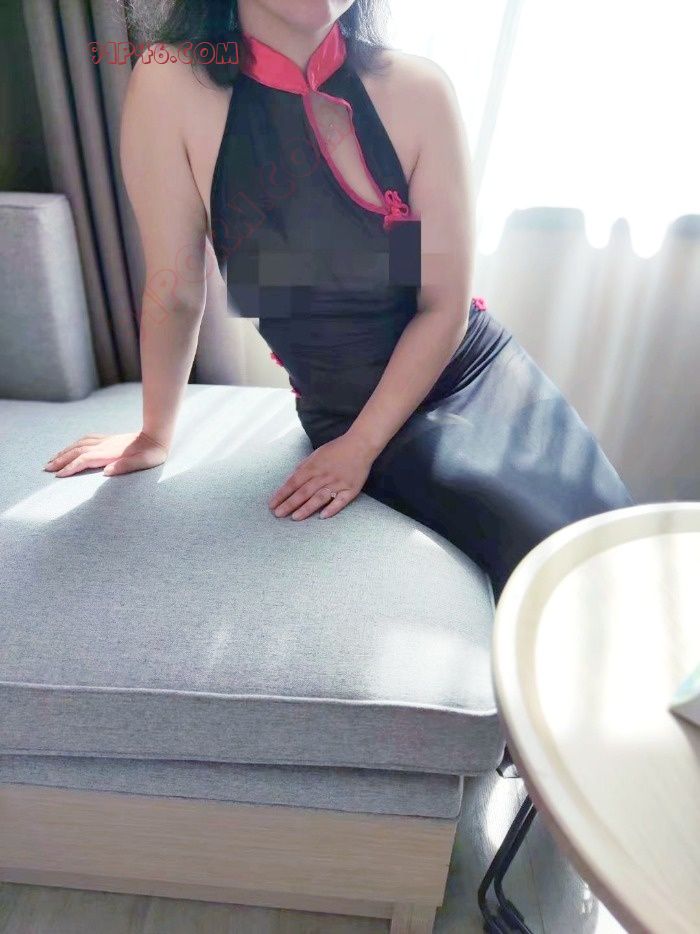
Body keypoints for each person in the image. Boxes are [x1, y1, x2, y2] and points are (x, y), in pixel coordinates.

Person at [43, 0, 635, 602]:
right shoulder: (170, 83)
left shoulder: (417, 90)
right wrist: (154, 434)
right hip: (354, 408)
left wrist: (360, 448)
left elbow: (441, 305)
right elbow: (175, 289)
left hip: (475, 369)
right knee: (560, 573)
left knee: (617, 542)